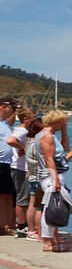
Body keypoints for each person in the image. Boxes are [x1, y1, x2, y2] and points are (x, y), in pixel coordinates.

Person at [36, 109, 72, 252]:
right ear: (55, 121)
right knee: (50, 207)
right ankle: (47, 242)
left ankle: (52, 239)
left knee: (54, 206)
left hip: (53, 175)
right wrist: (55, 179)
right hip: (50, 176)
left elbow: (64, 147)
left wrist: (64, 130)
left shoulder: (50, 135)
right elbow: (48, 159)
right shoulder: (46, 136)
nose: (64, 124)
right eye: (62, 122)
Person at [5, 110, 35, 237]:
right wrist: (23, 148)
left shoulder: (20, 130)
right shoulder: (21, 131)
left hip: (21, 168)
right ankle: (22, 227)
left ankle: (24, 225)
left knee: (24, 197)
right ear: (26, 120)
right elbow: (10, 141)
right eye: (33, 119)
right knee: (22, 198)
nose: (34, 122)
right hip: (20, 168)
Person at [22, 116, 43, 239]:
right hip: (37, 177)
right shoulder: (36, 143)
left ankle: (31, 229)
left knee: (32, 203)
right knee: (38, 206)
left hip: (32, 176)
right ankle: (36, 231)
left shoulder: (29, 142)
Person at [0, 97, 16, 235]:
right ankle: (4, 226)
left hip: (7, 164)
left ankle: (4, 225)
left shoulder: (4, 123)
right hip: (1, 164)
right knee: (5, 196)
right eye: (13, 108)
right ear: (3, 106)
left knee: (7, 196)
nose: (14, 111)